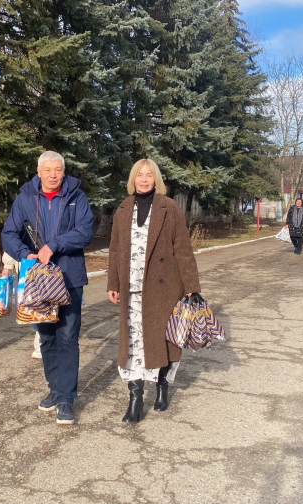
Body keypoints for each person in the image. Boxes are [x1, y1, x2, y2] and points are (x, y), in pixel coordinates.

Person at [1, 151, 94, 425]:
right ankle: (54, 389)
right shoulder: (26, 198)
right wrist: (22, 253)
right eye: (48, 170)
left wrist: (54, 245)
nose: (53, 175)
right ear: (38, 171)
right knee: (47, 339)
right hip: (37, 281)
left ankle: (66, 398)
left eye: (58, 170)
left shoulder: (77, 197)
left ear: (64, 172)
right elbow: (9, 233)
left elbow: (85, 231)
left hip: (69, 278)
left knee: (67, 338)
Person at [106, 160, 200, 423]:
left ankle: (161, 385)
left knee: (161, 342)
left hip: (163, 289)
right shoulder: (123, 209)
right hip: (131, 288)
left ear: (156, 179)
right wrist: (113, 283)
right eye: (139, 175)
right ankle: (135, 398)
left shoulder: (169, 208)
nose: (144, 180)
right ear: (133, 179)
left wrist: (191, 287)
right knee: (133, 343)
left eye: (149, 175)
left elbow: (183, 249)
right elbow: (114, 250)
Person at [1, 252, 41, 359]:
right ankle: (41, 336)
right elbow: (12, 239)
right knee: (27, 307)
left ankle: (44, 339)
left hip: (48, 267)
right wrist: (8, 266)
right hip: (25, 269)